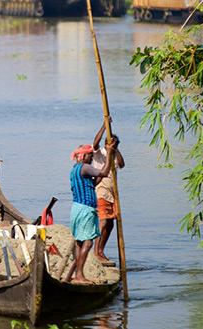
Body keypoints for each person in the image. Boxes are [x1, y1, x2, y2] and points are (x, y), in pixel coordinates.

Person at [64, 142, 113, 284]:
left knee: (80, 243)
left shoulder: (75, 170)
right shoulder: (84, 167)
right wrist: (109, 154)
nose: (91, 159)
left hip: (76, 208)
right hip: (85, 209)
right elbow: (104, 173)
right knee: (88, 242)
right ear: (82, 157)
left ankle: (78, 275)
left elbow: (94, 182)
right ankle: (79, 275)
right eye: (90, 156)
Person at [91, 120, 125, 263]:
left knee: (110, 224)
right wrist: (105, 126)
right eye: (111, 144)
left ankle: (101, 250)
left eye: (116, 145)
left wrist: (115, 150)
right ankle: (95, 252)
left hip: (112, 194)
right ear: (106, 144)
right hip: (101, 192)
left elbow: (122, 164)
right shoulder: (100, 154)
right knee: (103, 221)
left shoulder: (114, 156)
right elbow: (94, 143)